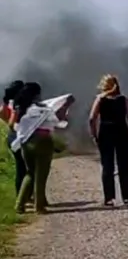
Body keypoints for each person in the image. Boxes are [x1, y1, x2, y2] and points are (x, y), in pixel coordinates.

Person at [10, 82, 72, 214]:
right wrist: (66, 105)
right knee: (41, 175)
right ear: (37, 94)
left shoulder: (21, 109)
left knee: (30, 173)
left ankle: (19, 205)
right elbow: (58, 120)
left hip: (26, 143)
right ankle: (39, 206)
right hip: (43, 142)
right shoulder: (43, 109)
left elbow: (13, 125)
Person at [89, 74, 128, 207]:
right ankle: (127, 197)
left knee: (107, 166)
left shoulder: (100, 99)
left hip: (106, 132)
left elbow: (92, 118)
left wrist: (94, 134)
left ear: (104, 85)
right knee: (124, 166)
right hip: (122, 132)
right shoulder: (124, 100)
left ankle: (109, 198)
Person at [2, 80, 30, 197]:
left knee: (20, 167)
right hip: (20, 136)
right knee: (27, 168)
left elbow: (3, 116)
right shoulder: (18, 105)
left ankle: (21, 195)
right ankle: (25, 196)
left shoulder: (6, 105)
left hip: (11, 136)